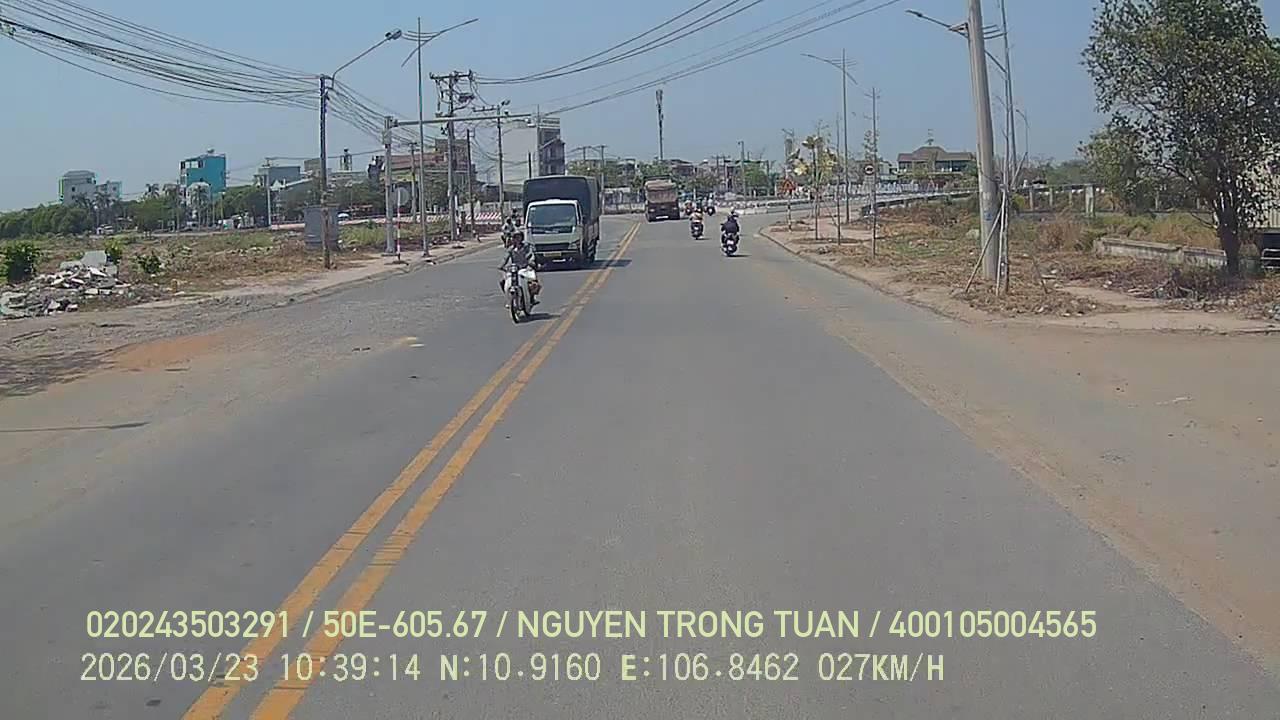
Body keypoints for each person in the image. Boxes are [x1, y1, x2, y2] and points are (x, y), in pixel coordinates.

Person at [500, 233, 539, 307]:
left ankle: (532, 298)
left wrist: (531, 263)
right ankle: (509, 298)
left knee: (533, 283)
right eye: (515, 237)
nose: (517, 239)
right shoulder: (511, 249)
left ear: (522, 238)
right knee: (503, 282)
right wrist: (502, 266)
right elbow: (505, 258)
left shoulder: (527, 247)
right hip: (515, 269)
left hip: (525, 268)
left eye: (518, 237)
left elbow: (531, 255)